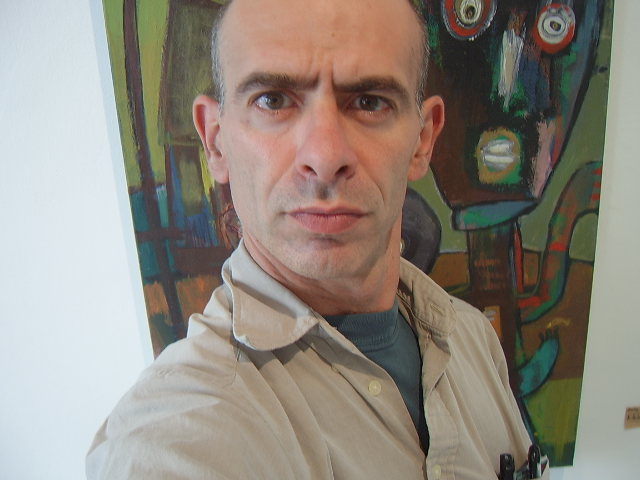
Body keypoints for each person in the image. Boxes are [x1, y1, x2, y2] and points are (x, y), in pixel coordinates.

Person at [87, 0, 539, 478]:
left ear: (422, 141)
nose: (324, 157)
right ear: (216, 141)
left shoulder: (472, 338)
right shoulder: (174, 438)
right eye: (273, 100)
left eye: (369, 102)